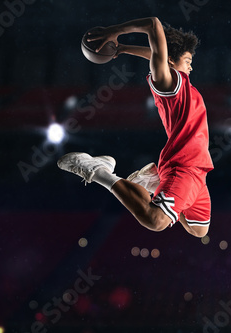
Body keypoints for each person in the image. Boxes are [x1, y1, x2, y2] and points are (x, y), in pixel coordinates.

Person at [58, 17, 213, 238]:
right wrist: (115, 31)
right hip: (183, 165)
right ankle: (98, 171)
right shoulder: (170, 83)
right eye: (187, 60)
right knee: (156, 220)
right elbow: (153, 24)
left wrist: (123, 48)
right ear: (170, 62)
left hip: (197, 169)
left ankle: (157, 179)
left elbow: (160, 55)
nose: (191, 65)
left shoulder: (183, 84)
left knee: (198, 229)